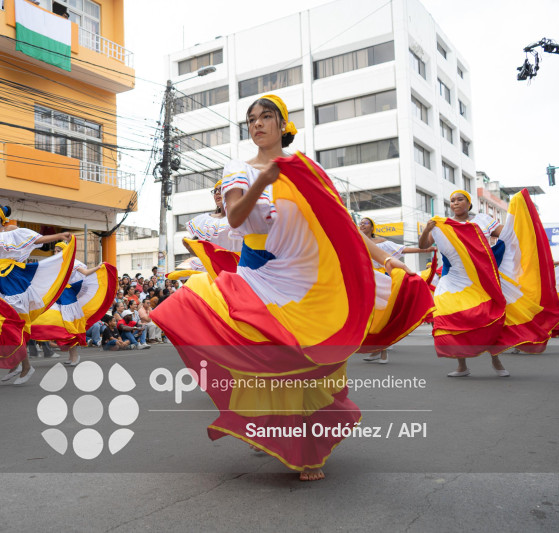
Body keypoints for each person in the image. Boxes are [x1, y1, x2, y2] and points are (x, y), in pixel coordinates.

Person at [151, 94, 413, 481]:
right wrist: (264, 182)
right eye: (251, 119)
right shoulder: (239, 167)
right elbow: (237, 218)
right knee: (257, 352)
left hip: (305, 279)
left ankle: (308, 449)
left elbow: (342, 226)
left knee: (307, 361)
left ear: (282, 124)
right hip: (256, 275)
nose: (257, 124)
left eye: (266, 117)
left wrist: (386, 260)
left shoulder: (306, 170)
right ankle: (270, 428)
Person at [0, 202, 74, 384]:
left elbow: (37, 240)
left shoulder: (13, 232)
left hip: (12, 280)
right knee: (1, 324)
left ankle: (25, 366)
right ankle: (15, 364)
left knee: (11, 323)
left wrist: (60, 235)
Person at [419, 190, 507, 375]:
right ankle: (462, 366)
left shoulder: (482, 220)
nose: (456, 203)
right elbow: (423, 246)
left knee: (487, 316)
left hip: (481, 278)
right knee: (451, 316)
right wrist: (427, 229)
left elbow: (507, 235)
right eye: (452, 200)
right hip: (453, 279)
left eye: (460, 200)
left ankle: (496, 360)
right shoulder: (441, 225)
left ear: (469, 204)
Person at [357, 217, 435, 364]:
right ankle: (374, 349)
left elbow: (403, 249)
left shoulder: (382, 243)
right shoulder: (355, 238)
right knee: (368, 316)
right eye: (360, 223)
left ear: (373, 227)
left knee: (380, 314)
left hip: (380, 279)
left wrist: (425, 249)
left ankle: (383, 351)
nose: (362, 225)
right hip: (364, 278)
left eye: (365, 223)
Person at [31, 242, 118, 365]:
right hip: (58, 296)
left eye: (58, 251)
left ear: (65, 251)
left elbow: (86, 273)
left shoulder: (73, 263)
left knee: (69, 329)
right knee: (54, 321)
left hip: (68, 299)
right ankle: (69, 355)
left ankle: (74, 356)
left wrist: (99, 267)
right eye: (55, 251)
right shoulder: (56, 265)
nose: (55, 253)